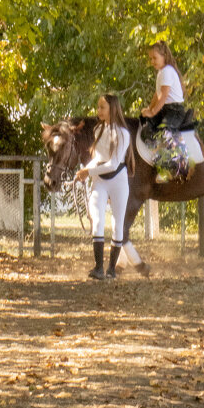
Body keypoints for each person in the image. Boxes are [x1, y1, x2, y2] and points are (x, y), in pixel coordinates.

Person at [75, 94, 134, 280]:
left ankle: (112, 269)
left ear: (112, 109)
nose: (99, 110)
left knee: (117, 224)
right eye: (98, 107)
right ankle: (99, 268)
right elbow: (99, 159)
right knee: (98, 220)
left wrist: (88, 172)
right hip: (100, 180)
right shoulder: (99, 129)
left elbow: (113, 164)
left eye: (102, 107)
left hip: (118, 180)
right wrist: (85, 169)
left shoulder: (123, 133)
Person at [140, 40, 193, 135]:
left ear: (164, 55)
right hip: (165, 110)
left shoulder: (167, 71)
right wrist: (149, 109)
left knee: (164, 134)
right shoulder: (161, 72)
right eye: (150, 58)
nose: (152, 61)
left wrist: (152, 112)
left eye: (154, 58)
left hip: (174, 112)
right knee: (146, 125)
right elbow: (157, 95)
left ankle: (178, 147)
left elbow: (163, 96)